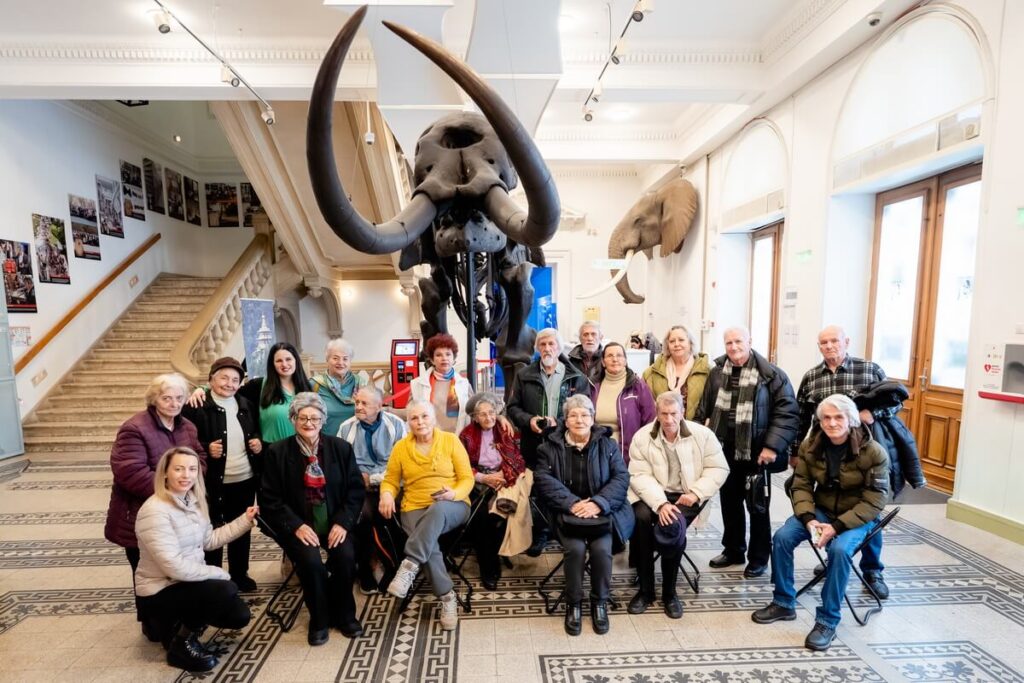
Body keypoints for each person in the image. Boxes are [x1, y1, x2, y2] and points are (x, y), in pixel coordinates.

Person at [752, 394, 889, 651]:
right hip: (821, 511)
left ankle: (828, 620)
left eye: (838, 417)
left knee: (839, 550)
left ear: (851, 420)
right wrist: (808, 519)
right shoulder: (810, 445)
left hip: (857, 517)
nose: (832, 423)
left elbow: (875, 501)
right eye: (826, 418)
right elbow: (801, 485)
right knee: (782, 538)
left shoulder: (874, 452)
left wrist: (836, 527)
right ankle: (783, 602)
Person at [794, 324, 911, 599]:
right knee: (831, 500)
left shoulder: (869, 369)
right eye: (824, 343)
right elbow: (802, 415)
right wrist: (795, 450)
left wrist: (873, 413)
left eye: (834, 341)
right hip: (826, 450)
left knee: (869, 509)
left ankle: (872, 570)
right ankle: (835, 557)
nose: (829, 346)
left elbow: (896, 403)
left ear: (846, 342)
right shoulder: (812, 377)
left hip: (865, 450)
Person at [134, 447, 256, 672]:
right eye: (178, 469)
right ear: (165, 473)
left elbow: (209, 540)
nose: (186, 475)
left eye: (192, 469)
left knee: (238, 616)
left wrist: (244, 521)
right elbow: (173, 566)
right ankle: (180, 645)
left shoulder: (193, 501)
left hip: (185, 583)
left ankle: (180, 625)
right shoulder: (155, 510)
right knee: (224, 589)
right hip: (159, 589)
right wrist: (218, 573)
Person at [105, 373, 206, 638]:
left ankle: (177, 618)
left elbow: (199, 457)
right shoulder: (134, 428)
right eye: (167, 398)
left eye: (179, 398)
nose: (174, 403)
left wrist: (192, 479)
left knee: (174, 567)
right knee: (147, 572)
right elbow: (130, 472)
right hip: (141, 515)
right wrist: (174, 491)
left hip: (178, 513)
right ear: (154, 399)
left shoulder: (187, 427)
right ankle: (152, 623)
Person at [260, 392, 365, 646]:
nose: (309, 423)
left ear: (323, 421)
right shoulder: (277, 452)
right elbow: (270, 498)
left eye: (315, 418)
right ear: (293, 420)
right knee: (311, 563)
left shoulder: (341, 448)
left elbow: (355, 490)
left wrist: (342, 522)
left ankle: (345, 615)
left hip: (334, 523)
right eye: (303, 418)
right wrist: (296, 526)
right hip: (300, 525)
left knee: (345, 557)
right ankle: (319, 619)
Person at [695, 326, 800, 578]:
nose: (733, 347)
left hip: (757, 453)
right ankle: (733, 550)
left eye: (738, 341)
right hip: (724, 450)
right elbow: (704, 407)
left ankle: (759, 558)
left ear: (750, 341)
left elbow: (786, 414)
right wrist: (701, 432)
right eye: (729, 342)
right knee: (729, 504)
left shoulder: (772, 375)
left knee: (757, 507)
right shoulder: (717, 372)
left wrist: (772, 446)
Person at [533, 395, 634, 637]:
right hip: (566, 514)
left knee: (601, 549)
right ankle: (574, 603)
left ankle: (599, 602)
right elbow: (543, 480)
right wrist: (573, 504)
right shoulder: (547, 448)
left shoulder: (608, 446)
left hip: (601, 514)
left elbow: (621, 478)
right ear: (565, 420)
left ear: (592, 418)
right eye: (573, 415)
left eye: (585, 415)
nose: (579, 420)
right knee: (575, 549)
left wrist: (598, 503)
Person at [627, 392, 729, 618]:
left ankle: (669, 594)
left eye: (673, 413)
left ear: (682, 412)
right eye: (664, 414)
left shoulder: (703, 435)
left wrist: (696, 492)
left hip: (688, 494)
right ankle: (645, 591)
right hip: (652, 492)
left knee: (672, 525)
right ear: (657, 413)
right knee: (641, 520)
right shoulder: (642, 437)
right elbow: (639, 475)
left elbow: (718, 468)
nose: (669, 419)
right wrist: (661, 504)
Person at [379, 400, 474, 631]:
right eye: (414, 418)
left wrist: (453, 494)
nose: (420, 421)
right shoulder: (401, 447)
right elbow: (390, 480)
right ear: (408, 422)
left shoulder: (450, 440)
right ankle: (447, 597)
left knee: (438, 510)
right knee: (429, 546)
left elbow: (467, 478)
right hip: (414, 506)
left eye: (424, 416)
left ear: (434, 418)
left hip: (452, 504)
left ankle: (409, 564)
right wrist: (387, 495)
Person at [180, 357, 263, 592]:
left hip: (244, 478)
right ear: (211, 380)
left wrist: (257, 442)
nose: (229, 383)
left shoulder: (246, 404)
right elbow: (184, 441)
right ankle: (213, 575)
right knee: (212, 527)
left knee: (242, 526)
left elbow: (256, 429)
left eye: (235, 379)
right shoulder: (196, 406)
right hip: (212, 481)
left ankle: (239, 574)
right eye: (224, 378)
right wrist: (206, 448)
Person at [506, 327, 590, 555]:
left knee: (564, 485)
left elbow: (584, 412)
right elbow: (512, 408)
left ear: (559, 347)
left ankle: (565, 529)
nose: (547, 348)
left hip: (565, 443)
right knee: (538, 488)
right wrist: (529, 420)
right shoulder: (524, 375)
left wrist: (559, 422)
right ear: (537, 348)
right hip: (534, 444)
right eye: (542, 344)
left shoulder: (576, 377)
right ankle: (541, 532)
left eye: (551, 344)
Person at [336, 385, 408, 594]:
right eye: (357, 402)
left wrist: (375, 479)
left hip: (391, 483)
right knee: (361, 515)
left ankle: (395, 564)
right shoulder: (346, 428)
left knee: (393, 511)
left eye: (364, 403)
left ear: (379, 406)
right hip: (360, 487)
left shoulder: (396, 424)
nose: (358, 406)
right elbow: (342, 465)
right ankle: (366, 567)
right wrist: (360, 479)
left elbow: (402, 465)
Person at [458, 391, 527, 590]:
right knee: (480, 518)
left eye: (491, 412)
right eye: (482, 414)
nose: (488, 417)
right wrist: (483, 478)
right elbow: (461, 466)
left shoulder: (504, 428)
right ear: (475, 417)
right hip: (477, 481)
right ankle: (488, 567)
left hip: (504, 478)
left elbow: (516, 458)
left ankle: (495, 554)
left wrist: (503, 474)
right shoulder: (466, 435)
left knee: (501, 513)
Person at [186, 341, 312, 444]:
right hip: (272, 452)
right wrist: (202, 389)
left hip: (303, 449)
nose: (284, 364)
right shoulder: (259, 386)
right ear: (272, 364)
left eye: (288, 359)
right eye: (279, 361)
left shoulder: (307, 387)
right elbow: (230, 390)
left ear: (296, 360)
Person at [591, 341, 656, 463]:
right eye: (610, 356)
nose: (615, 359)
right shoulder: (593, 387)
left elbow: (650, 422)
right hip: (596, 453)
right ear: (603, 362)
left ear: (625, 361)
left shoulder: (638, 386)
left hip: (629, 455)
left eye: (619, 355)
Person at [643, 325, 712, 420]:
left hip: (695, 427)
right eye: (672, 341)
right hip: (662, 426)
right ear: (667, 345)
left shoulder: (707, 371)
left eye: (681, 340)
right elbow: (646, 406)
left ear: (690, 343)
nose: (676, 344)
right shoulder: (650, 373)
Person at [310, 338, 368, 436]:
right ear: (327, 359)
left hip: (355, 441)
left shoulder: (361, 383)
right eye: (335, 358)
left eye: (345, 359)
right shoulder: (315, 384)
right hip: (327, 441)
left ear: (350, 361)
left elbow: (370, 414)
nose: (340, 363)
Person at [567, 320, 604, 385]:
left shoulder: (606, 360)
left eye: (593, 334)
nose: (589, 338)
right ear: (580, 339)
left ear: (600, 338)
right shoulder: (570, 362)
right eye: (585, 334)